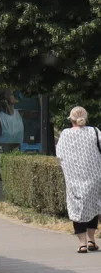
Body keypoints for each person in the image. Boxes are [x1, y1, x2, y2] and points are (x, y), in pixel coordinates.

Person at [55, 106, 101, 253]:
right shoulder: (94, 131)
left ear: (71, 118)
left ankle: (82, 243)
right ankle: (92, 240)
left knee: (77, 209)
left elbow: (60, 155)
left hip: (73, 179)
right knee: (93, 207)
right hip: (94, 176)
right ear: (86, 117)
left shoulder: (65, 134)